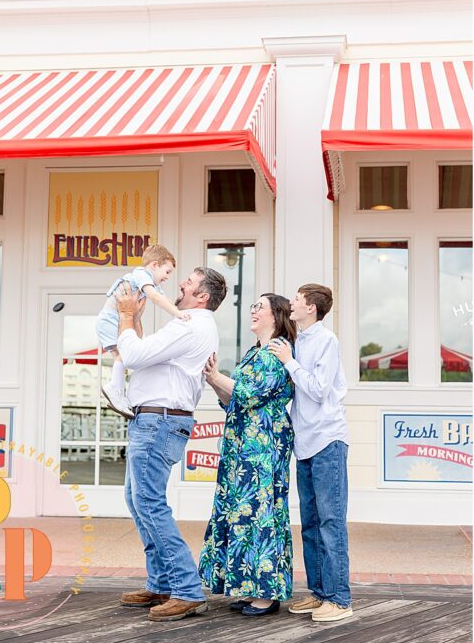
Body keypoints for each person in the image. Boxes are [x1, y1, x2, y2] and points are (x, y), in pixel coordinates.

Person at [115, 267, 228, 622]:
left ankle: (187, 590)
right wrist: (134, 321)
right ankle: (162, 581)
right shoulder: (188, 324)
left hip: (159, 421)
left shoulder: (189, 324)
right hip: (156, 420)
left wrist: (126, 316)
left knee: (149, 503)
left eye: (189, 282)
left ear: (202, 296)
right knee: (138, 500)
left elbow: (132, 356)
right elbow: (143, 352)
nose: (181, 283)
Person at [199, 293, 296, 617]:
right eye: (253, 306)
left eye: (259, 307)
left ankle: (267, 594)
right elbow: (233, 399)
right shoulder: (255, 352)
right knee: (241, 513)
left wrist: (218, 378)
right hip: (242, 445)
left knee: (260, 511)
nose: (253, 311)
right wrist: (214, 381)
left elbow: (250, 393)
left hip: (263, 445)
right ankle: (248, 587)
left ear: (276, 316)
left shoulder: (276, 351)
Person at [269, 283, 353, 623]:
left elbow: (318, 390)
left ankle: (340, 600)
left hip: (327, 440)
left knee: (331, 522)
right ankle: (320, 593)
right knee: (311, 524)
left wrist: (289, 363)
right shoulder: (297, 341)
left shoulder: (326, 341)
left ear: (312, 308)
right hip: (304, 443)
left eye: (297, 300)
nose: (291, 303)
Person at [97, 244, 190, 417]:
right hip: (111, 319)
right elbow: (155, 297)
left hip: (114, 320)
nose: (167, 276)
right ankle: (114, 389)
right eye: (167, 271)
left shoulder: (149, 280)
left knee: (123, 357)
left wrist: (177, 311)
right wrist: (178, 314)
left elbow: (163, 298)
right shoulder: (141, 274)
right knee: (123, 356)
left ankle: (118, 392)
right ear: (154, 265)